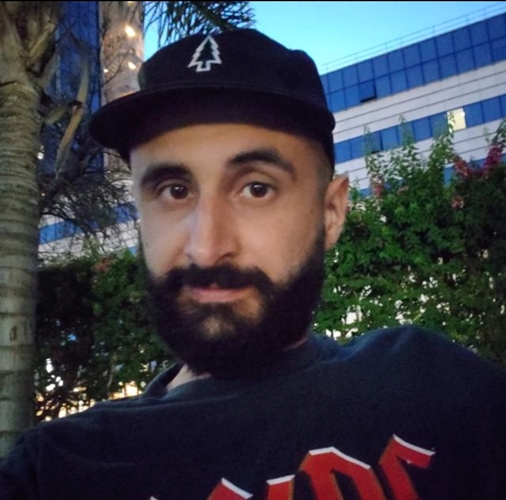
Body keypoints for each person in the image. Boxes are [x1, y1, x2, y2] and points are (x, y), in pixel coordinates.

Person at [1, 28, 506, 500]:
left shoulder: (434, 386)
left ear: (331, 212)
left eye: (256, 188)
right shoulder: (58, 469)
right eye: (174, 191)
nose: (206, 247)